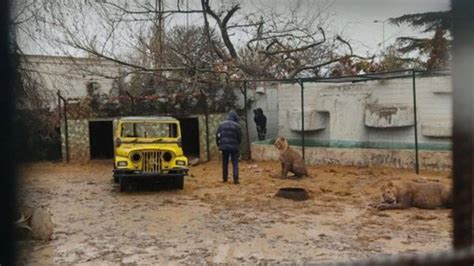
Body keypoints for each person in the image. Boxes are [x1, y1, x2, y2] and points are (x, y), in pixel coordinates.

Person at [216, 111, 242, 184]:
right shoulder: (237, 126)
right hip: (234, 147)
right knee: (235, 163)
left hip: (224, 147)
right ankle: (236, 180)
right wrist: (238, 144)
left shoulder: (221, 125)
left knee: (225, 163)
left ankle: (225, 179)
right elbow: (240, 137)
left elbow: (217, 136)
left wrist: (219, 145)